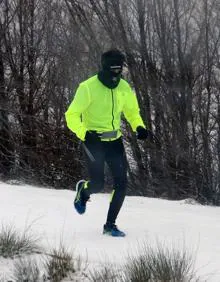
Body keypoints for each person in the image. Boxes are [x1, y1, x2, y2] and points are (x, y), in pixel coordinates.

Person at [65, 49, 152, 237]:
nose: (116, 73)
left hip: (115, 141)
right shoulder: (87, 87)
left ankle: (110, 225)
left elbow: (132, 111)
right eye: (113, 68)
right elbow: (71, 115)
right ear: (105, 66)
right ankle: (84, 190)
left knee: (121, 183)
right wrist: (84, 133)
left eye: (119, 69)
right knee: (97, 184)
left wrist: (139, 127)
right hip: (93, 142)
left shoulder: (124, 87)